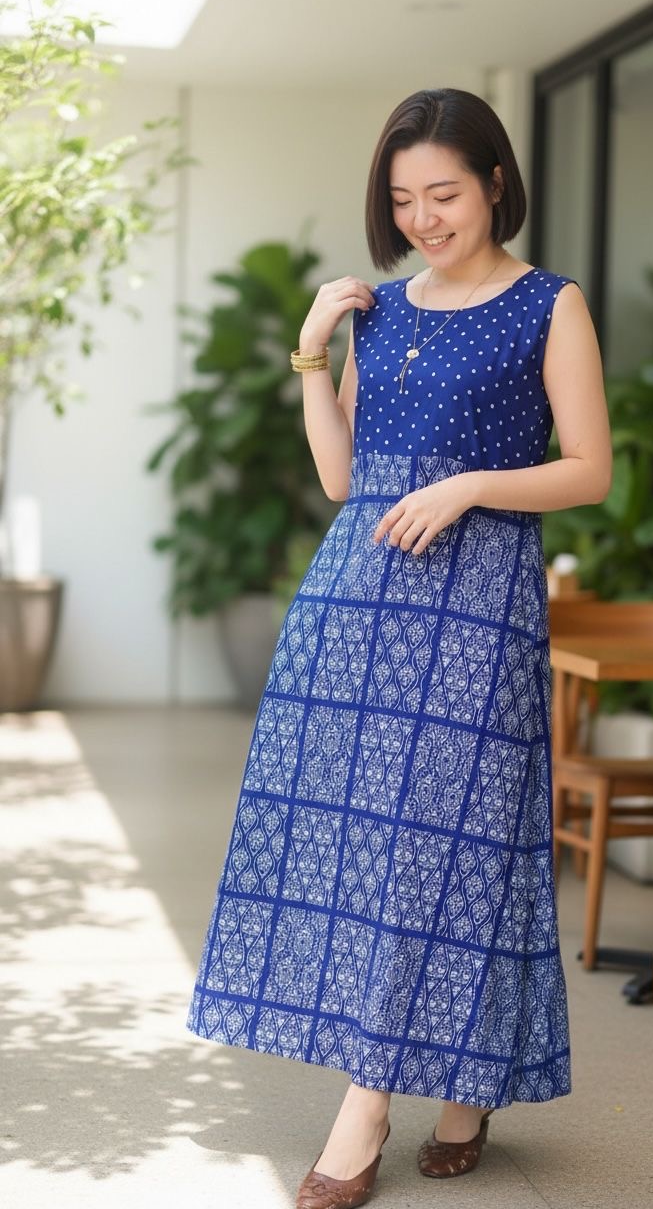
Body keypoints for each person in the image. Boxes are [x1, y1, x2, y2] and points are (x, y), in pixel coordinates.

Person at [186, 87, 611, 1209]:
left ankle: (366, 1104)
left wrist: (470, 487)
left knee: (450, 847)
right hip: (357, 602)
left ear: (496, 185)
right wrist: (311, 352)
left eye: (445, 194)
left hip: (477, 606)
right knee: (365, 847)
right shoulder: (381, 311)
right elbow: (342, 478)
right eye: (404, 198)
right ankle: (458, 1087)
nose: (424, 218)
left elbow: (589, 469)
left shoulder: (550, 303)